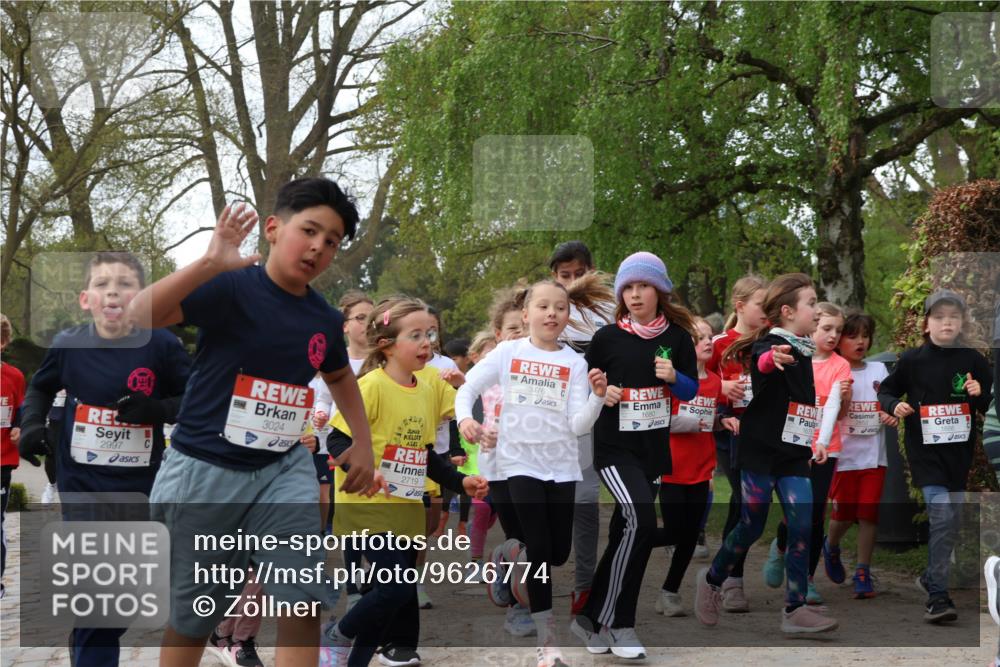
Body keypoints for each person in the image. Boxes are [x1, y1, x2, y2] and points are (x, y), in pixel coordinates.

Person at [128, 178, 377, 667]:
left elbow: (341, 376)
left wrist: (363, 442)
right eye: (309, 231)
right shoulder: (229, 286)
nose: (318, 247)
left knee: (301, 597)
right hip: (204, 472)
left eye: (331, 242)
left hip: (284, 469)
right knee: (195, 615)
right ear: (272, 228)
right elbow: (138, 316)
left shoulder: (324, 319)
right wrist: (208, 262)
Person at [18, 251, 192, 666]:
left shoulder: (163, 345)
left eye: (125, 284)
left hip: (141, 488)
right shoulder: (68, 345)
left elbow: (196, 398)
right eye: (102, 284)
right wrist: (31, 424)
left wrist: (158, 410)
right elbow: (40, 389)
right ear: (85, 299)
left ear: (143, 296)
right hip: (83, 487)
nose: (113, 291)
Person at [321, 296, 488, 667]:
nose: (427, 342)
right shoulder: (370, 386)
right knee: (396, 587)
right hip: (366, 507)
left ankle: (352, 658)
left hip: (406, 508)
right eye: (415, 335)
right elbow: (337, 440)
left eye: (430, 333)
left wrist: (462, 483)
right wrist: (366, 469)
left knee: (392, 592)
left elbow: (426, 455)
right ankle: (337, 634)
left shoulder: (426, 389)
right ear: (387, 345)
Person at [458, 278, 609, 667]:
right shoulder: (509, 352)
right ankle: (548, 643)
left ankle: (507, 552)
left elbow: (579, 425)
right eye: (542, 306)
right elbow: (469, 388)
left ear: (568, 315)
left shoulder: (575, 363)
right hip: (517, 461)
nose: (551, 314)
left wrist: (596, 397)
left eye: (559, 308)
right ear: (525, 314)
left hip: (561, 464)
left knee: (558, 553)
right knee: (540, 551)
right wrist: (464, 421)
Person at [695, 273, 839, 635]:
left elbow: (807, 403)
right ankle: (712, 580)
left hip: (793, 453)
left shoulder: (805, 348)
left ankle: (794, 609)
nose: (817, 309)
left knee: (802, 523)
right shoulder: (769, 344)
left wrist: (815, 439)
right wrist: (771, 358)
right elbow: (763, 361)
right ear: (788, 312)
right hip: (759, 452)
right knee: (751, 525)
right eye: (811, 304)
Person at [571, 252, 698, 659]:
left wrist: (674, 377)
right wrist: (599, 390)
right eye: (627, 287)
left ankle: (588, 619)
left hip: (652, 452)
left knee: (631, 535)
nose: (634, 294)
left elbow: (690, 390)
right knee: (642, 521)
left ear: (659, 290)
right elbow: (584, 387)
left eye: (642, 286)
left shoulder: (677, 337)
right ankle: (617, 622)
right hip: (613, 449)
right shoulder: (607, 339)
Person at [878, 289, 992, 623]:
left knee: (950, 522)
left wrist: (980, 394)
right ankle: (938, 598)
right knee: (943, 516)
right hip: (924, 456)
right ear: (926, 324)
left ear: (961, 323)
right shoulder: (912, 360)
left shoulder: (972, 360)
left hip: (958, 456)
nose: (947, 323)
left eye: (953, 317)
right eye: (939, 317)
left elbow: (991, 405)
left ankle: (930, 577)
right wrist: (892, 405)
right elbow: (886, 390)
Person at [765, 302, 852, 604]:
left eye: (838, 331)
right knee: (795, 512)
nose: (832, 335)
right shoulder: (794, 357)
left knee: (815, 514)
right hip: (793, 446)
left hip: (827, 449)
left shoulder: (841, 366)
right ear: (811, 325)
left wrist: (825, 439)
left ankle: (807, 578)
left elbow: (839, 414)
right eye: (826, 328)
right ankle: (779, 547)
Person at [548, 240, 615, 617]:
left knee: (593, 501)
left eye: (579, 274)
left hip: (606, 416)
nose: (572, 281)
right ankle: (525, 568)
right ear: (554, 278)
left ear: (592, 271)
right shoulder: (548, 312)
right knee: (568, 504)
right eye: (564, 276)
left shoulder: (611, 310)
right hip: (559, 423)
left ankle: (585, 587)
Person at [824, 311, 896, 599]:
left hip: (874, 456)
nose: (860, 341)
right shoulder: (834, 370)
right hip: (843, 457)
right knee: (844, 514)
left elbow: (888, 402)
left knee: (869, 514)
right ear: (839, 340)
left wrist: (889, 413)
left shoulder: (879, 370)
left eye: (865, 336)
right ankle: (831, 546)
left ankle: (863, 571)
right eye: (852, 336)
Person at [707, 274, 767, 612]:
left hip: (766, 436)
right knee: (744, 501)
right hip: (730, 435)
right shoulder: (720, 344)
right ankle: (732, 580)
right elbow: (701, 383)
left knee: (753, 506)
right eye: (761, 304)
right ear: (740, 305)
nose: (767, 311)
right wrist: (720, 393)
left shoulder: (773, 342)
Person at [656, 317, 722, 617]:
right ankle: (632, 542)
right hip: (671, 469)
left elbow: (710, 420)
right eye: (699, 338)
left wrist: (724, 420)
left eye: (709, 337)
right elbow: (658, 420)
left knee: (690, 535)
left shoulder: (716, 382)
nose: (708, 342)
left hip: (701, 469)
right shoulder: (671, 382)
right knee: (673, 532)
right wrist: (689, 422)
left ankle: (669, 592)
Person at [0, 314, 25, 600]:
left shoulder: (14, 376)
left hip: (2, 459)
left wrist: (20, 427)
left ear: (3, 342)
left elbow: (22, 411)